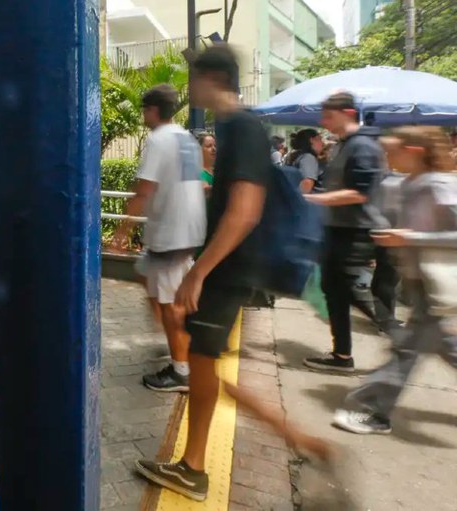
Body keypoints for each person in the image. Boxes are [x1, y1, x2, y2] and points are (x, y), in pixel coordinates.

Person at [134, 45, 330, 502]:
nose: (190, 88)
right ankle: (296, 439)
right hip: (232, 267)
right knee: (204, 363)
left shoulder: (241, 126)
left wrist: (198, 272)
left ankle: (194, 467)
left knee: (201, 363)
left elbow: (244, 211)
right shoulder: (235, 127)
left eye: (194, 78)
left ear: (212, 79)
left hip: (228, 269)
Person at [333, 126, 457, 434]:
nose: (386, 158)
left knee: (405, 353)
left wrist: (409, 237)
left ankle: (375, 413)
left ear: (413, 152)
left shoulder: (438, 185)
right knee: (440, 347)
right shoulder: (409, 182)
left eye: (391, 152)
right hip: (422, 284)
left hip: (434, 286)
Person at [111, 84, 207, 392]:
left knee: (171, 306)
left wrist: (122, 231)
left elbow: (143, 190)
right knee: (145, 273)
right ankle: (176, 341)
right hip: (188, 230)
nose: (143, 115)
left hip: (171, 233)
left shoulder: (158, 139)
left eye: (144, 109)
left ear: (153, 110)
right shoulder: (186, 139)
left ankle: (181, 371)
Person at [303, 92, 386, 373]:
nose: (323, 122)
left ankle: (404, 336)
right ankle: (342, 355)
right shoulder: (344, 145)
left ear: (348, 113)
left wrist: (314, 199)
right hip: (339, 228)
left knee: (349, 291)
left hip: (354, 231)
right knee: (336, 290)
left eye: (329, 116)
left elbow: (360, 193)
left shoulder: (362, 146)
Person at [285, 128, 324, 193]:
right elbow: (307, 183)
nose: (322, 143)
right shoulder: (308, 158)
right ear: (312, 140)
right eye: (320, 139)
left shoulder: (297, 156)